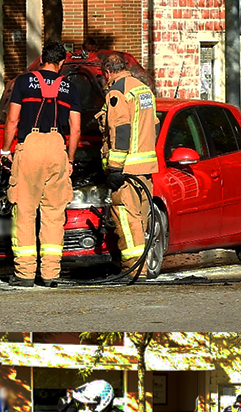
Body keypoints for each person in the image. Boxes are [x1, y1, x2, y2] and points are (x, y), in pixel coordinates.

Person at [0, 41, 82, 287]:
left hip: (30, 146)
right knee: (54, 214)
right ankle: (50, 274)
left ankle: (25, 274)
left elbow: (12, 119)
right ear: (61, 62)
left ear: (42, 59)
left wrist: (6, 150)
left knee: (24, 211)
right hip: (57, 147)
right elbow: (76, 129)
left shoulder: (24, 82)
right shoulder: (69, 87)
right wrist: (69, 159)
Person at [99, 52, 159, 275]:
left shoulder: (117, 91)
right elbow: (154, 125)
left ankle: (135, 270)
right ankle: (143, 266)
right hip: (145, 168)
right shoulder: (143, 89)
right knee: (140, 218)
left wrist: (115, 166)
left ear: (107, 72)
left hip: (127, 169)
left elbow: (121, 129)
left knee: (126, 217)